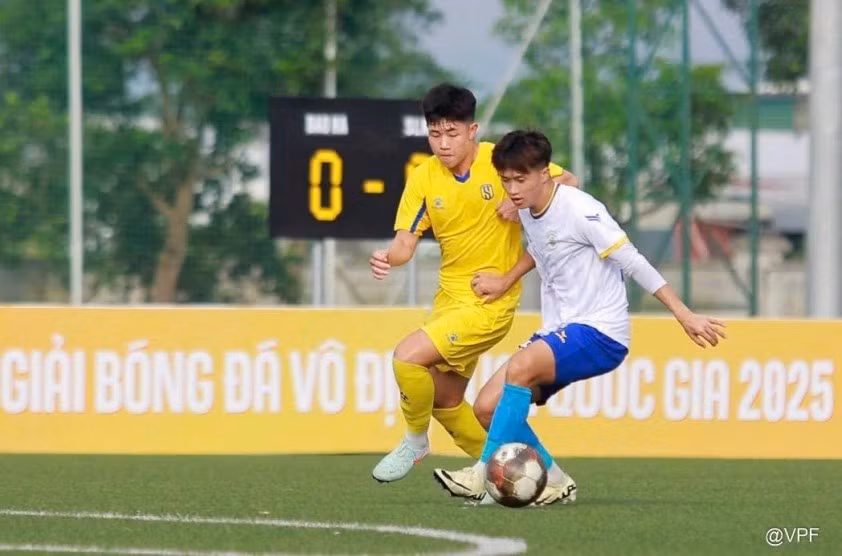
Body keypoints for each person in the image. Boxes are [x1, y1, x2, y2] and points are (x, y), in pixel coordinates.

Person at [433, 129, 727, 505]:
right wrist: (506, 280)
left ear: (545, 173)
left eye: (521, 179)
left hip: (601, 331)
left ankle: (482, 472)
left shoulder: (581, 210)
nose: (513, 188)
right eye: (506, 180)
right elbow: (542, 250)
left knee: (520, 367)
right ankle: (554, 480)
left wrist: (683, 314)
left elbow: (633, 260)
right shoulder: (528, 210)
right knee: (486, 408)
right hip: (560, 330)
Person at [369, 84, 578, 483]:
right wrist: (387, 257)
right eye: (435, 134)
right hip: (449, 298)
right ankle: (536, 477)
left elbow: (569, 180)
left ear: (472, 131)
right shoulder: (423, 178)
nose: (443, 144)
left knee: (406, 356)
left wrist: (523, 197)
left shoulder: (501, 162)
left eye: (452, 133)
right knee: (447, 402)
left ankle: (415, 441)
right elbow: (404, 243)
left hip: (489, 301)